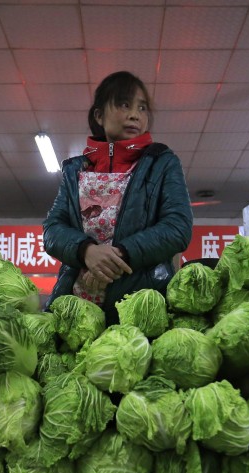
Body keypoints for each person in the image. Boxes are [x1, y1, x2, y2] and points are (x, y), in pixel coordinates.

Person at [42, 71, 193, 324]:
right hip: (77, 307)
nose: (135, 115)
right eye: (124, 104)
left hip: (142, 307)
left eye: (142, 108)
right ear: (99, 115)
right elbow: (53, 230)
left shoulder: (162, 162)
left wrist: (119, 255)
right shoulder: (75, 170)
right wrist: (86, 251)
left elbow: (178, 227)